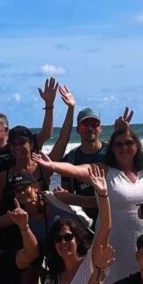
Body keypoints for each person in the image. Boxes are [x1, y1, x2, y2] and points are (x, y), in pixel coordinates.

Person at [33, 112, 143, 284]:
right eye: (118, 144)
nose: (124, 147)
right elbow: (79, 170)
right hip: (116, 242)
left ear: (136, 145)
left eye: (129, 143)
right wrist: (53, 166)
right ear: (112, 148)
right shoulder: (105, 171)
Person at [0, 77, 58, 215]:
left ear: (6, 130)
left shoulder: (15, 149)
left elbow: (45, 134)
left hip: (21, 213)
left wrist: (49, 105)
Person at [45, 87, 107, 221]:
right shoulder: (71, 158)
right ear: (78, 129)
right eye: (85, 124)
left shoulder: (111, 153)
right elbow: (67, 194)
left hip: (113, 215)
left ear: (100, 128)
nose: (90, 128)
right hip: (87, 220)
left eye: (94, 124)